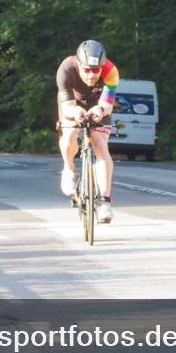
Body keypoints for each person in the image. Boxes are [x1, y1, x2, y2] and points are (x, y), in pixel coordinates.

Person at [57, 40, 119, 224]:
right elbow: (67, 106)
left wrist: (99, 110)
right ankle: (68, 168)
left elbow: (107, 104)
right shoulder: (66, 69)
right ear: (79, 65)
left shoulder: (111, 71)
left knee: (100, 145)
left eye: (96, 70)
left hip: (98, 104)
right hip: (72, 104)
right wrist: (76, 112)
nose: (91, 75)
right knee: (69, 135)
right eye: (87, 70)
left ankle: (104, 202)